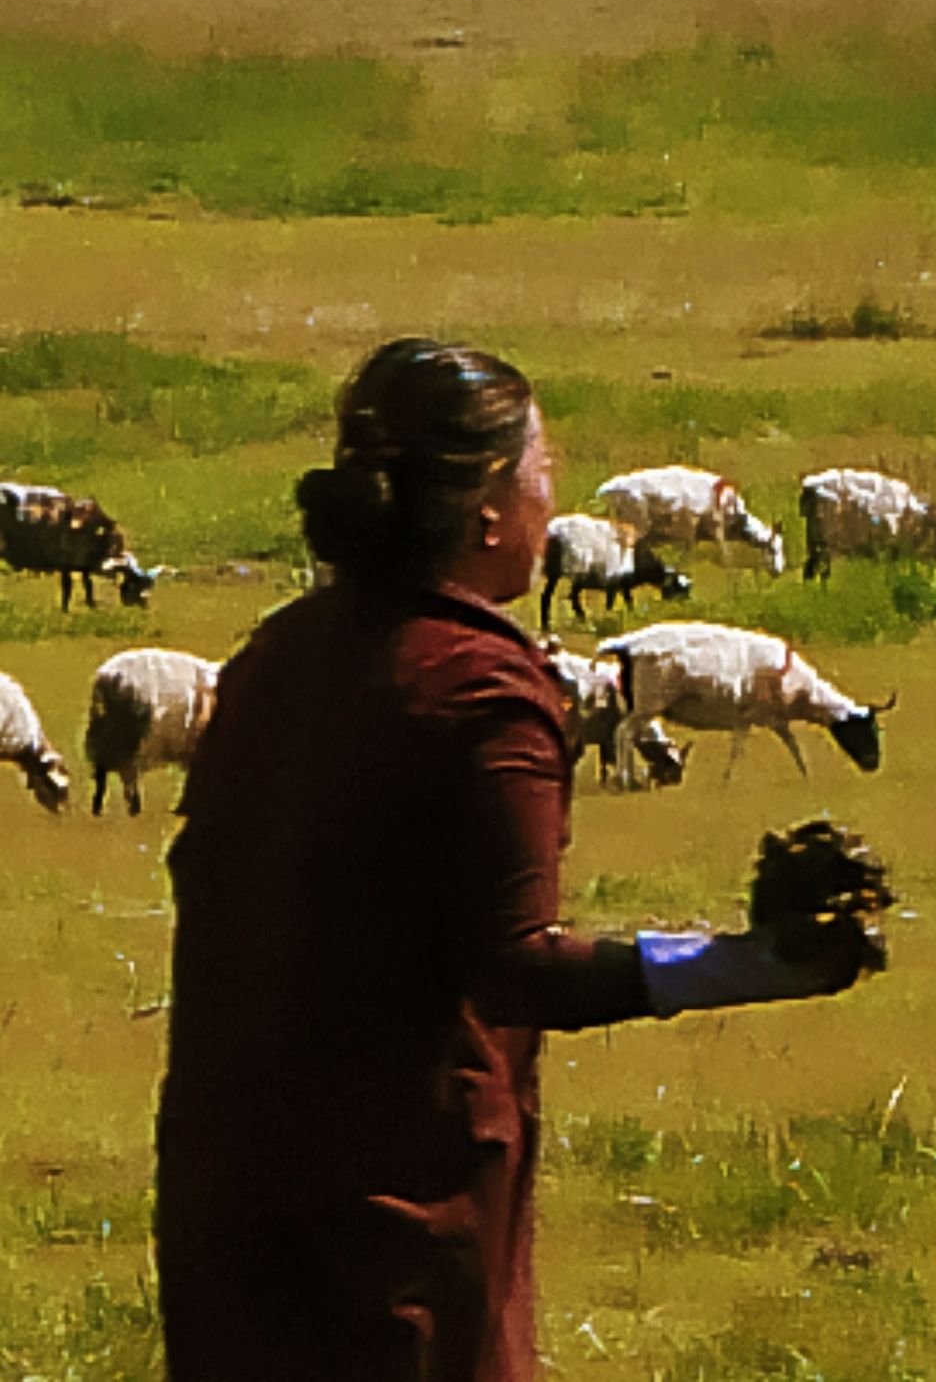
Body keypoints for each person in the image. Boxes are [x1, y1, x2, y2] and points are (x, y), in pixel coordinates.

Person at [156, 338, 873, 1382]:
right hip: (395, 1209)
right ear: (490, 507)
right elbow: (516, 965)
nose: (554, 496)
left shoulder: (277, 656)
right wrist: (752, 963)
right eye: (544, 470)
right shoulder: (485, 693)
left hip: (230, 1188)